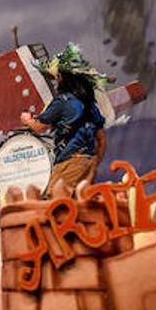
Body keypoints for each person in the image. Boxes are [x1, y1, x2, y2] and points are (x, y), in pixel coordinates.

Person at [20, 43, 109, 198]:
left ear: (62, 78)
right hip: (88, 161)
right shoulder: (90, 104)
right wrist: (93, 162)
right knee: (81, 204)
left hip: (69, 162)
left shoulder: (62, 101)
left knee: (57, 204)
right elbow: (101, 140)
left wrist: (27, 120)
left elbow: (39, 126)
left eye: (58, 76)